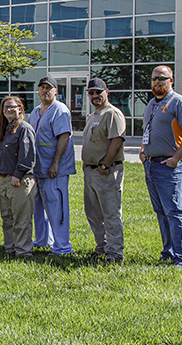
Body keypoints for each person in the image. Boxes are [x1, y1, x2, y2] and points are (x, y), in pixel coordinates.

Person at [140, 65, 182, 268]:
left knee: (173, 211)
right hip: (151, 164)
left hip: (169, 165)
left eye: (162, 79)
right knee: (160, 211)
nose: (157, 82)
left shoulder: (179, 102)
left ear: (171, 80)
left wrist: (176, 158)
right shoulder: (151, 104)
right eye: (154, 79)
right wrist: (142, 151)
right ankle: (168, 253)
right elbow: (148, 130)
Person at [27, 76, 76, 255]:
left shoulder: (59, 110)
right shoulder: (35, 111)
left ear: (56, 91)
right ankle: (42, 240)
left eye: (49, 88)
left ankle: (62, 246)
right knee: (39, 206)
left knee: (57, 206)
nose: (45, 91)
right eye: (42, 88)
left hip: (55, 169)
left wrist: (55, 163)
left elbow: (64, 137)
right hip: (39, 168)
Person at [81, 78, 127, 263]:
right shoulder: (93, 116)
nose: (95, 96)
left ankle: (115, 253)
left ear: (106, 92)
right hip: (91, 172)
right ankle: (102, 248)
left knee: (110, 213)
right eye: (91, 93)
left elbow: (117, 141)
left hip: (106, 172)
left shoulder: (112, 114)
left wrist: (104, 165)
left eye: (98, 92)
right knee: (93, 213)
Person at [0, 96, 37, 258]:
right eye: (6, 107)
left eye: (12, 107)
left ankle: (23, 250)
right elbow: (1, 157)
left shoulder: (24, 128)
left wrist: (18, 175)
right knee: (7, 218)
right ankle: (10, 248)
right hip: (5, 180)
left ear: (20, 109)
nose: (9, 110)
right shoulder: (5, 130)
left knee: (21, 218)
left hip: (19, 180)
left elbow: (28, 156)